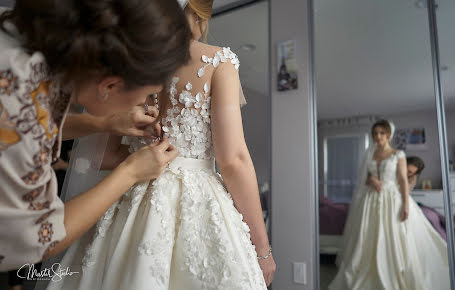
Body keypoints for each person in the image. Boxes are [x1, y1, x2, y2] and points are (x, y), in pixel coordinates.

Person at [43, 0, 275, 289]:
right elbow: (233, 161)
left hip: (127, 197)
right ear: (200, 13)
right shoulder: (218, 63)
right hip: (197, 202)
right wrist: (262, 249)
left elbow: (111, 155)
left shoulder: (133, 63)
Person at [0, 0, 191, 271]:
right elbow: (33, 238)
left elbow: (21, 135)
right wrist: (130, 172)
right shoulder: (20, 97)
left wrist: (103, 124)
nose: (149, 100)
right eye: (148, 93)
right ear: (110, 84)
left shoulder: (30, 47)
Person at [329, 120, 449, 290]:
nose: (378, 136)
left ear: (388, 135)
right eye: (375, 133)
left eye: (381, 133)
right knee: (367, 235)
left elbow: (402, 180)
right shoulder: (369, 154)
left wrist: (406, 204)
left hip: (392, 198)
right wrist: (371, 180)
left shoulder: (398, 154)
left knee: (393, 234)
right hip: (371, 200)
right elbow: (365, 178)